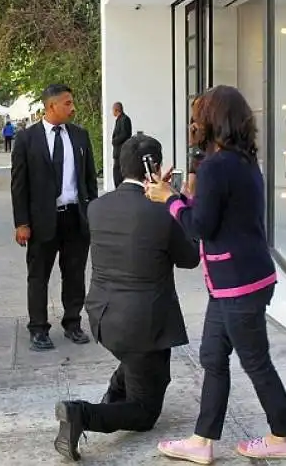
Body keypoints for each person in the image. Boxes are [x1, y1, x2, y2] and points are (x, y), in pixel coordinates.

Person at [145, 85, 286, 463]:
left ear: (213, 119)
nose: (194, 122)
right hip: (239, 279)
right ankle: (201, 441)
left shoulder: (217, 166)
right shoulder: (242, 160)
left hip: (237, 282)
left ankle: (282, 436)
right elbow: (218, 213)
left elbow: (199, 227)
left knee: (255, 361)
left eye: (198, 114)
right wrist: (182, 193)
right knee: (213, 356)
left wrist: (169, 199)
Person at [52, 134, 200, 461]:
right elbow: (191, 257)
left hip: (104, 318)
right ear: (155, 168)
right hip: (143, 326)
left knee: (148, 370)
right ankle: (81, 415)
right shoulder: (162, 211)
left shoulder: (98, 207)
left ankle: (114, 395)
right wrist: (177, 202)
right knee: (146, 412)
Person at [11, 83, 98, 351]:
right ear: (51, 107)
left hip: (75, 217)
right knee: (38, 275)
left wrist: (92, 213)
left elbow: (89, 179)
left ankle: (72, 323)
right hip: (41, 221)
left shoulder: (80, 136)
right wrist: (22, 222)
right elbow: (19, 183)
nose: (73, 108)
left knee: (74, 273)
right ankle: (38, 329)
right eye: (67, 104)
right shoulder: (27, 139)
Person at [110, 101, 132, 187]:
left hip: (121, 151)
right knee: (116, 172)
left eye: (113, 110)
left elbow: (125, 134)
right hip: (117, 152)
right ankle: (118, 188)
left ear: (116, 110)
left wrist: (115, 140)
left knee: (119, 172)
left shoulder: (125, 119)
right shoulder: (119, 120)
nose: (112, 112)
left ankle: (120, 188)